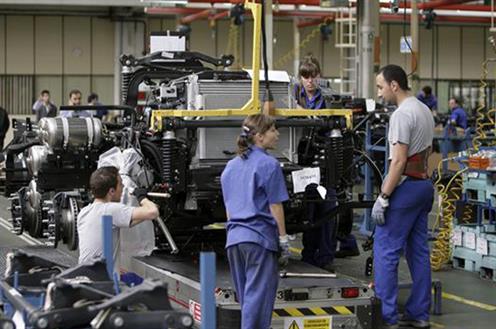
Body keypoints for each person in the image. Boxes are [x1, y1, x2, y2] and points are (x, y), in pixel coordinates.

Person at [372, 65, 434, 329]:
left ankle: (387, 316)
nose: (379, 92)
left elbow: (398, 162)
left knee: (386, 249)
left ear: (394, 85)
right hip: (423, 187)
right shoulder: (424, 110)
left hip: (405, 188)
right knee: (418, 251)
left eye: (380, 86)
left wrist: (384, 196)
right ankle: (419, 313)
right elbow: (428, 151)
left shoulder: (401, 115)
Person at [221, 114, 290, 329]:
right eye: (273, 131)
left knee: (247, 301)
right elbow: (275, 206)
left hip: (234, 241)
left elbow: (229, 209)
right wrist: (283, 239)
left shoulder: (230, 166)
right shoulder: (270, 165)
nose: (277, 135)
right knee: (257, 305)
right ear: (259, 137)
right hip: (259, 241)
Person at [295, 56, 359, 268]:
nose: (309, 81)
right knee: (308, 211)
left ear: (319, 76)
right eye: (305, 76)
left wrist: (304, 114)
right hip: (303, 161)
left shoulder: (328, 97)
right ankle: (308, 256)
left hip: (326, 162)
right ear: (300, 77)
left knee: (328, 211)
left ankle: (325, 257)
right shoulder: (293, 95)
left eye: (313, 76)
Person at [77, 166, 159, 266]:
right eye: (120, 184)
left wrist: (147, 212)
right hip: (100, 276)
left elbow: (137, 218)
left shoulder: (85, 212)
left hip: (82, 273)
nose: (123, 187)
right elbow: (153, 212)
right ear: (111, 191)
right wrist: (142, 197)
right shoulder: (111, 210)